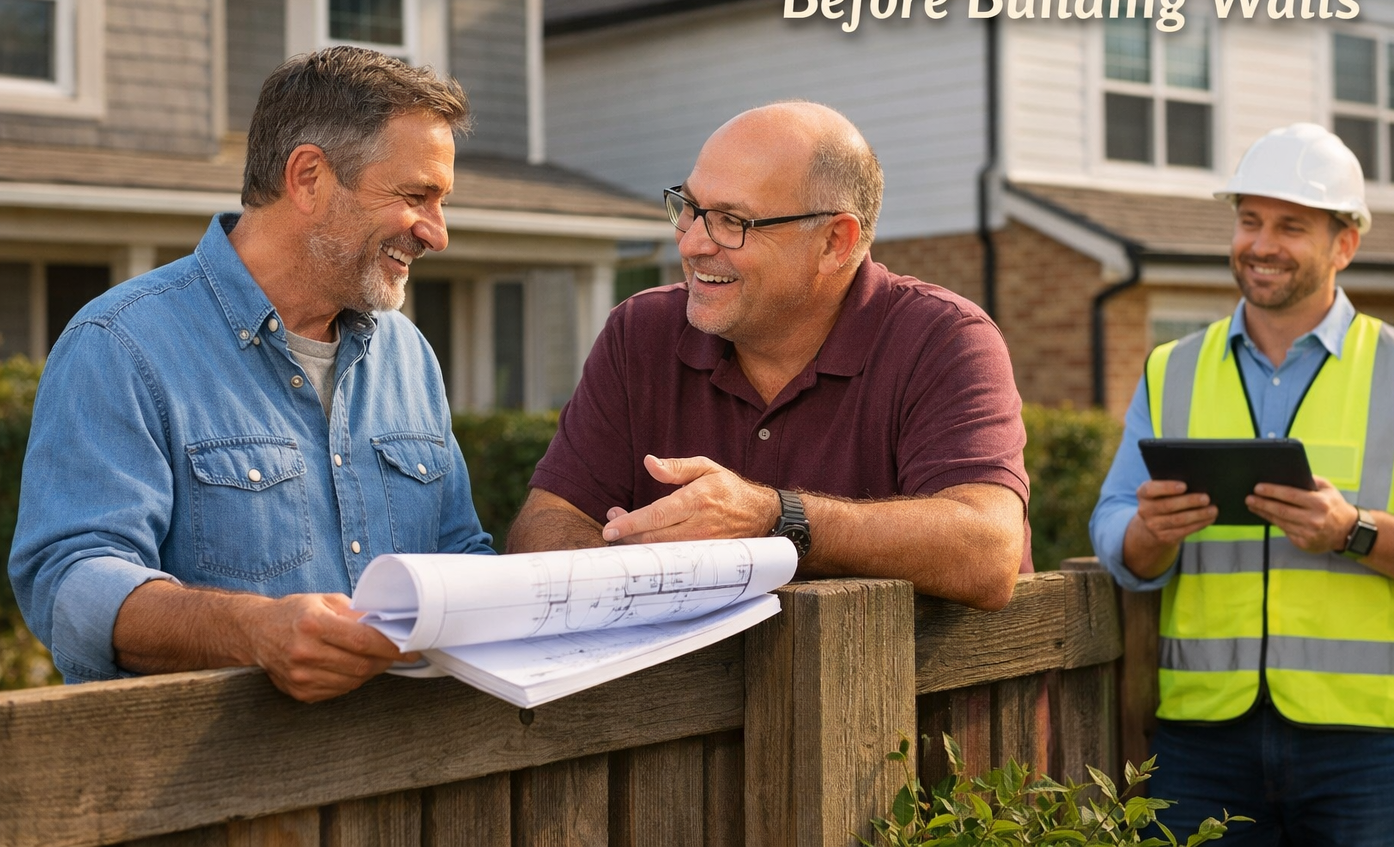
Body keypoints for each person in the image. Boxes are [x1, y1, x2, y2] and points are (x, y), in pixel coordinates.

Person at [9, 47, 495, 702]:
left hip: (407, 767)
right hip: (208, 771)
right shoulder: (120, 343)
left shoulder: (409, 354)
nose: (437, 233)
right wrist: (254, 631)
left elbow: (458, 556)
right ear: (308, 177)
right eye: (416, 196)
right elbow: (70, 582)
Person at [1089, 123, 1394, 846]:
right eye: (1250, 220)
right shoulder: (1172, 369)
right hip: (1203, 741)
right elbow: (1112, 526)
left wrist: (1354, 531)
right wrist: (1148, 535)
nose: (1261, 244)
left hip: (1372, 748)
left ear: (1344, 244)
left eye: (1291, 226)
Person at [507, 102, 1028, 609]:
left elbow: (987, 550)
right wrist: (635, 576)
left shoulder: (944, 338)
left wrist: (773, 519)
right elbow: (543, 523)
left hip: (908, 673)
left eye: (731, 221)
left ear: (834, 242)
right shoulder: (640, 332)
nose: (690, 244)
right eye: (689, 208)